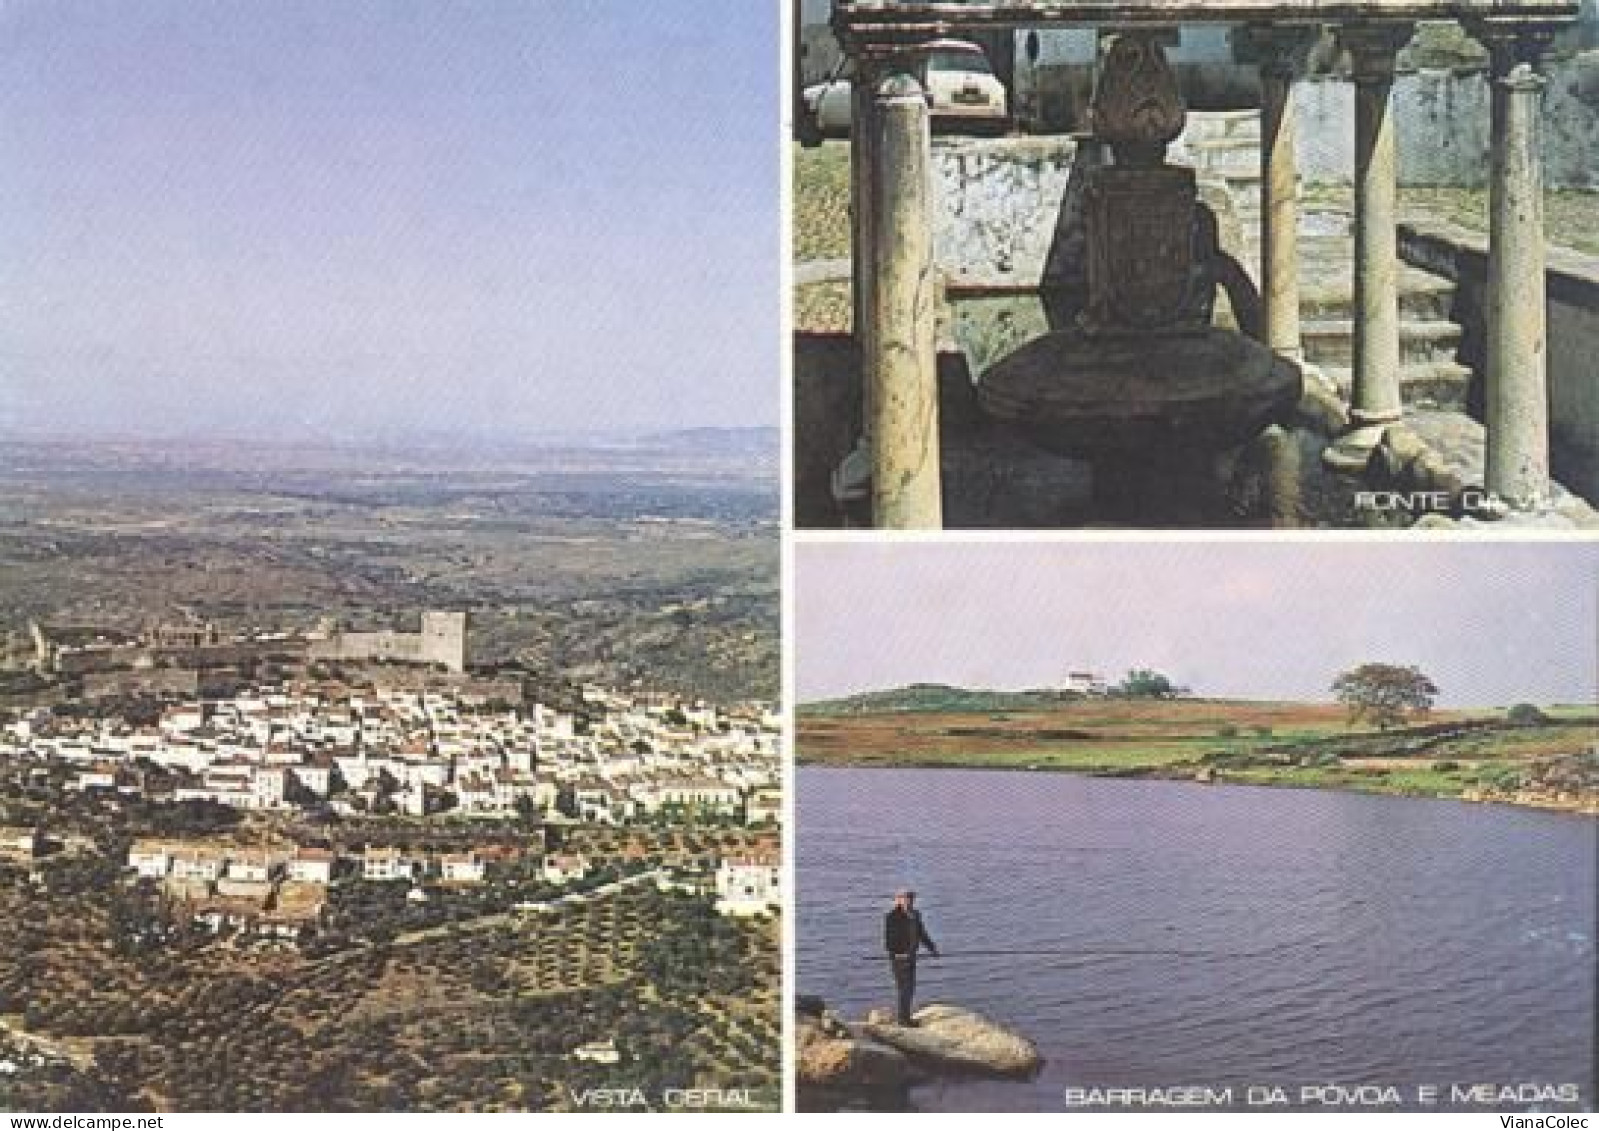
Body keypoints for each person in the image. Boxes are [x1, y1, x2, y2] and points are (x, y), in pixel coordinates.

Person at [884, 889, 939, 1025]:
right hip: (899, 958)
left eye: (911, 898)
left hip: (911, 957)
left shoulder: (915, 915)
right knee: (904, 988)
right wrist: (900, 953)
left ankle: (905, 1017)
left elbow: (921, 933)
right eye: (905, 898)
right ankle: (903, 1020)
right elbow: (889, 940)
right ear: (898, 900)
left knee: (910, 988)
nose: (909, 901)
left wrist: (932, 948)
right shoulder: (892, 917)